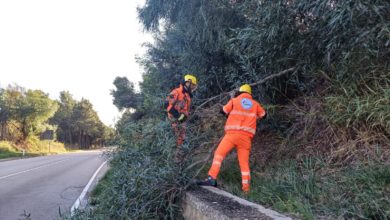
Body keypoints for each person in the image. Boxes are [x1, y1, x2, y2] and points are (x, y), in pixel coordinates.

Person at [197, 84, 266, 193]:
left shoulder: (234, 101)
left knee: (219, 154)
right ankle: (246, 189)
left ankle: (212, 178)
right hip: (246, 138)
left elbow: (223, 111)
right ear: (249, 94)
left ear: (240, 92)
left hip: (232, 135)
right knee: (244, 163)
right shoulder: (255, 104)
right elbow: (264, 115)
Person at [166, 74, 198, 161]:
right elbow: (166, 105)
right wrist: (178, 116)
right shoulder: (176, 92)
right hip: (174, 120)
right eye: (192, 85)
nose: (192, 87)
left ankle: (180, 159)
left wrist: (186, 117)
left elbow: (186, 110)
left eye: (193, 86)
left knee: (182, 140)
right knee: (177, 140)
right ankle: (175, 160)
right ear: (187, 83)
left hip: (182, 121)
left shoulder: (187, 96)